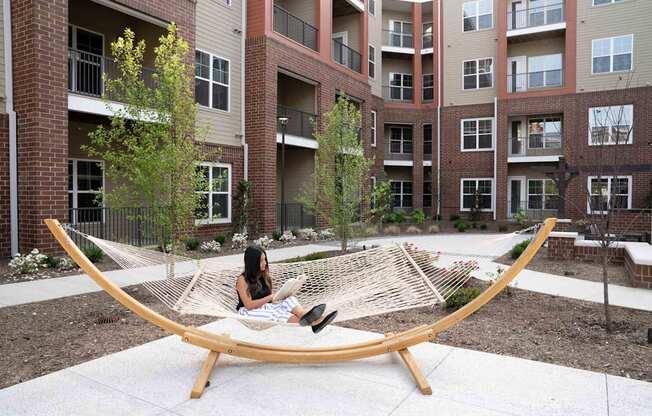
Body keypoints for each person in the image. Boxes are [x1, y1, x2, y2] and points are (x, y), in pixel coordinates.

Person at [236, 245, 337, 333]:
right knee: (277, 314)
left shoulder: (264, 276)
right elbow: (249, 305)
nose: (265, 263)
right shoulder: (242, 280)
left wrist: (283, 295)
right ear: (253, 263)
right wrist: (270, 297)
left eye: (265, 259)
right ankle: (317, 322)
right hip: (248, 313)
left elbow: (271, 300)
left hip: (265, 306)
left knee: (289, 299)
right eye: (261, 260)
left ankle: (306, 316)